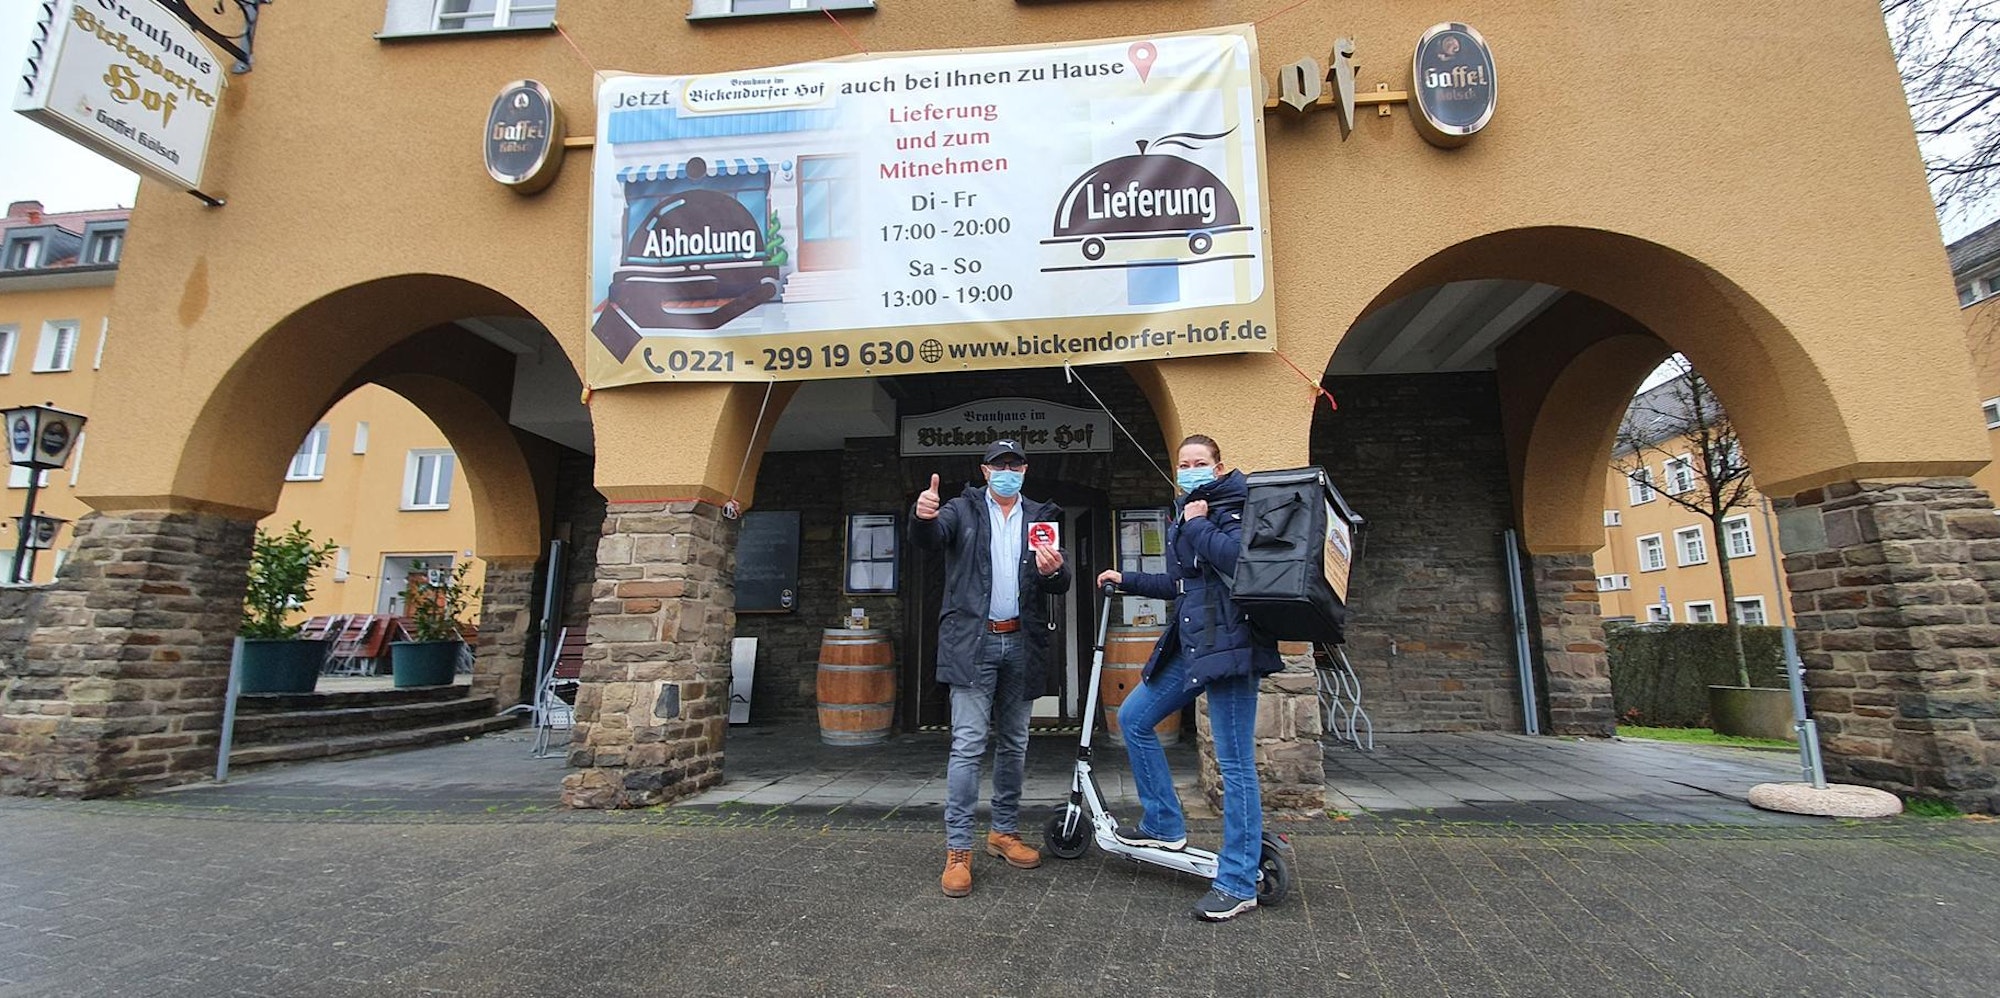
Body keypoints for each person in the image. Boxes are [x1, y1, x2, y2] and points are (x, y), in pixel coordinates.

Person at [1095, 434, 1277, 921]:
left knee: (1234, 765)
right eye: (1184, 463)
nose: (1191, 469)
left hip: (1233, 646)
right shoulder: (1188, 512)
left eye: (1200, 462)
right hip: (1193, 643)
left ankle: (1239, 882)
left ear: (1218, 468)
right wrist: (1127, 579)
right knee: (1134, 718)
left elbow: (1241, 561)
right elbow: (1183, 584)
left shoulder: (1235, 505)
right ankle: (1163, 823)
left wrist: (1196, 524)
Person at [911, 439, 1072, 898]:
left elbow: (1058, 582)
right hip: (972, 642)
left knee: (1016, 743)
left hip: (1022, 641)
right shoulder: (961, 510)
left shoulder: (1043, 515)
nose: (1007, 471)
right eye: (999, 465)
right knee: (967, 745)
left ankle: (1003, 832)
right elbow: (929, 538)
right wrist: (921, 515)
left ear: (1026, 469)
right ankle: (958, 848)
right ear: (985, 472)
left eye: (1015, 464)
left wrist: (1053, 570)